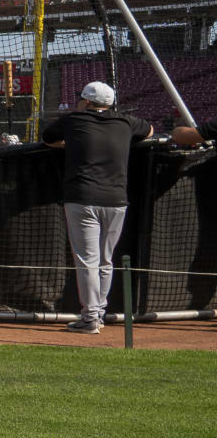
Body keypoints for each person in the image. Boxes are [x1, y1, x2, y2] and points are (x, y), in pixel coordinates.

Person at [42, 81, 153, 334]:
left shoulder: (74, 120)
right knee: (105, 260)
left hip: (82, 198)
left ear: (88, 102)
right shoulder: (126, 122)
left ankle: (91, 318)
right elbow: (149, 131)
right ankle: (97, 314)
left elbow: (48, 138)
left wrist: (71, 145)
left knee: (88, 261)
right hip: (116, 200)